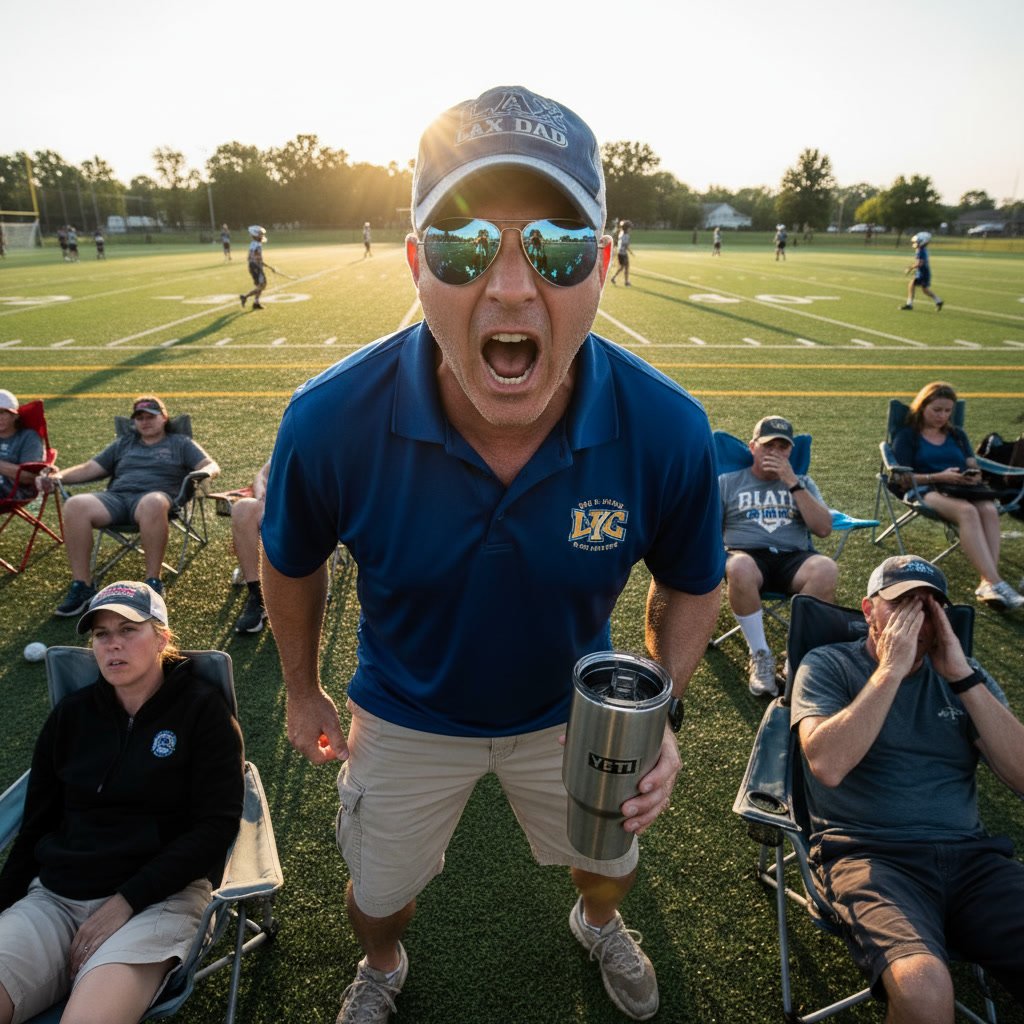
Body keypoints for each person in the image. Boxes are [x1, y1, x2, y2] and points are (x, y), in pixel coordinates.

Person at [259, 84, 725, 1024]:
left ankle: (597, 928)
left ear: (601, 266)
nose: (511, 286)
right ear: (414, 266)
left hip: (574, 715)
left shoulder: (666, 428)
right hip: (405, 707)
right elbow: (292, 557)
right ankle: (383, 965)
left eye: (553, 248)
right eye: (465, 246)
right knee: (379, 894)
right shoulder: (328, 422)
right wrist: (302, 684)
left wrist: (662, 705)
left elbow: (693, 582)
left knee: (607, 870)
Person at [791, 555, 1024, 1021]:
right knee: (922, 992)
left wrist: (962, 677)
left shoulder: (964, 676)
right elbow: (828, 765)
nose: (916, 617)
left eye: (930, 605)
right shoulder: (828, 665)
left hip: (973, 859)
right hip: (869, 856)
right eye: (900, 603)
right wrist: (889, 673)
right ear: (869, 610)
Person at [0, 580, 244, 1024]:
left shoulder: (202, 713)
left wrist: (128, 899)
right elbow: (36, 824)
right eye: (101, 634)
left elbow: (217, 826)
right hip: (56, 899)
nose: (113, 645)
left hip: (159, 900)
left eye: (128, 630)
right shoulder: (71, 716)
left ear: (163, 638)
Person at [41, 395, 220, 615]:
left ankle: (152, 584)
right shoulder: (124, 443)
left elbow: (210, 465)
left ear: (164, 418)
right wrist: (58, 477)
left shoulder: (180, 443)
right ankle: (82, 586)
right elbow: (90, 468)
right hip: (118, 498)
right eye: (139, 418)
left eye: (150, 417)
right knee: (76, 505)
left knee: (152, 502)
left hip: (156, 499)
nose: (145, 422)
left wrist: (204, 473)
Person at [719, 415, 837, 696]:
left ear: (790, 451)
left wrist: (793, 483)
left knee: (826, 569)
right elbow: (708, 528)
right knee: (740, 567)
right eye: (767, 446)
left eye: (782, 447)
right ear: (752, 447)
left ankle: (797, 658)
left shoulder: (802, 483)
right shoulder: (728, 482)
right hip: (745, 554)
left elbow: (823, 529)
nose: (775, 453)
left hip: (792, 557)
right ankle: (760, 655)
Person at [890, 381, 1022, 610]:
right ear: (922, 407)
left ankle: (988, 582)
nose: (943, 416)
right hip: (924, 489)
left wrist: (972, 476)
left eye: (948, 411)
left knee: (989, 509)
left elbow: (973, 464)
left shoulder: (957, 434)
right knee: (967, 512)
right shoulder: (908, 435)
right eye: (937, 410)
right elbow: (902, 477)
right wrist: (939, 476)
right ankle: (994, 582)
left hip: (961, 488)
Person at [231, 460, 271, 634]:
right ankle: (257, 594)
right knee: (242, 508)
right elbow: (262, 475)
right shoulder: (291, 434)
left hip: (313, 508)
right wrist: (262, 492)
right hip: (277, 506)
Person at [0, 389, 44, 501]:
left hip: (13, 491)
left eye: (2, 413)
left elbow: (29, 477)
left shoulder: (28, 437)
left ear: (15, 416)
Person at [900, 231, 943, 311]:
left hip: (923, 273)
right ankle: (938, 301)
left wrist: (910, 268)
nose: (915, 243)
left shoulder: (921, 250)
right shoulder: (921, 249)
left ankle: (909, 304)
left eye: (917, 241)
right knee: (925, 290)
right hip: (923, 273)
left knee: (911, 284)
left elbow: (920, 263)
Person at [240, 226, 267, 310]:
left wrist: (261, 264)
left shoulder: (253, 243)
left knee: (259, 285)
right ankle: (245, 296)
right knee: (262, 285)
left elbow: (249, 257)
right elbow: (257, 257)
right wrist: (260, 265)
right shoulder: (257, 244)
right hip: (256, 266)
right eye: (260, 234)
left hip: (252, 266)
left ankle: (256, 302)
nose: (261, 235)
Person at [610, 218, 633, 285]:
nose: (630, 229)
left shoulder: (621, 233)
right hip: (623, 254)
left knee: (622, 267)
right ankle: (626, 281)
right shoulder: (626, 236)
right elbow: (626, 245)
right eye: (629, 228)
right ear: (626, 228)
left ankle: (614, 278)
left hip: (620, 253)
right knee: (626, 267)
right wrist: (630, 251)